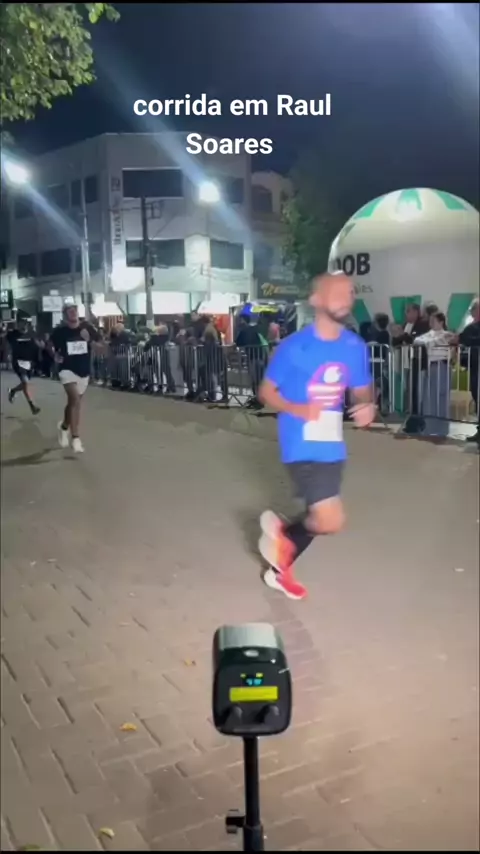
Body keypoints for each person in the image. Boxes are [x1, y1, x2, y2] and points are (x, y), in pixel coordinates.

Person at [257, 272, 375, 600]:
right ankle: (284, 537)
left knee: (323, 517)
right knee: (329, 519)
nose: (345, 299)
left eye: (349, 292)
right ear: (315, 300)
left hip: (332, 444)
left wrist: (366, 405)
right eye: (336, 292)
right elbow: (266, 391)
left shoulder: (354, 346)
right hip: (301, 442)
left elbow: (362, 389)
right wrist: (296, 408)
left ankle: (280, 564)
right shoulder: (295, 347)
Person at [49, 304, 100, 453]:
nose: (73, 313)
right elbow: (49, 344)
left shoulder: (87, 328)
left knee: (73, 403)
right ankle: (76, 438)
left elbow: (101, 347)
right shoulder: (60, 331)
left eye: (75, 311)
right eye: (70, 311)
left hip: (83, 371)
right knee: (75, 400)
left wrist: (89, 340)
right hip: (66, 369)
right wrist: (54, 355)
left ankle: (64, 427)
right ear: (65, 315)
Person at [413, 311, 455, 436]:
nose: (430, 323)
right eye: (430, 320)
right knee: (429, 398)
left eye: (433, 320)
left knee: (442, 397)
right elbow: (417, 341)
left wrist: (430, 343)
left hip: (443, 366)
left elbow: (444, 341)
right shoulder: (428, 335)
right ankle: (429, 427)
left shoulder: (447, 334)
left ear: (441, 322)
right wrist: (432, 342)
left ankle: (442, 429)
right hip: (431, 366)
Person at [457, 299, 480, 446]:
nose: (472, 311)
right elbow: (463, 338)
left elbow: (466, 339)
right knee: (477, 397)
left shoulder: (473, 328)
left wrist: (464, 338)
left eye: (474, 309)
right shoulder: (471, 327)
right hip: (474, 366)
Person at [7, 320, 41, 414]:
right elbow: (8, 344)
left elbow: (36, 348)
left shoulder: (32, 334)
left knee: (25, 384)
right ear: (18, 324)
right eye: (22, 323)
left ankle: (13, 391)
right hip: (18, 362)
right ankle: (32, 405)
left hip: (29, 363)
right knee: (26, 382)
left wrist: (37, 363)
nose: (24, 325)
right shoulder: (12, 334)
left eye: (26, 324)